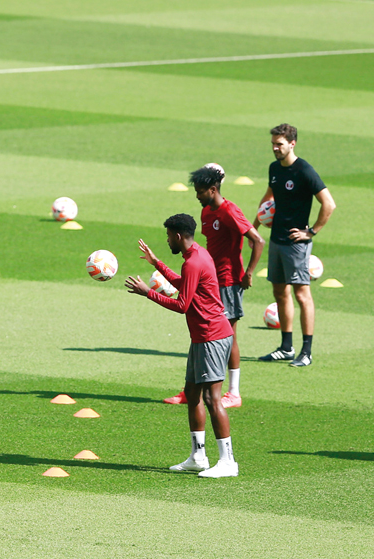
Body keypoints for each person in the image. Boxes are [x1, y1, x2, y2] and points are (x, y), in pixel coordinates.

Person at [125, 214, 238, 478]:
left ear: (177, 236)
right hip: (203, 336)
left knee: (212, 397)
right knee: (192, 394)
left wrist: (148, 293)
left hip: (212, 336)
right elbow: (186, 285)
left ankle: (228, 462)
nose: (166, 240)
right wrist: (158, 264)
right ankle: (198, 456)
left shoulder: (194, 261)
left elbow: (182, 305)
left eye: (167, 236)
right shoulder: (197, 256)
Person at [164, 164, 264, 408]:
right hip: (209, 282)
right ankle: (192, 387)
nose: (197, 196)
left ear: (212, 189)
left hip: (228, 281)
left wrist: (249, 272)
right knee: (200, 330)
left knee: (228, 335)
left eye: (200, 191)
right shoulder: (207, 212)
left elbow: (258, 240)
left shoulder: (229, 211)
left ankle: (234, 392)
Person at [252, 124, 336, 367]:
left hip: (295, 245)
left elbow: (328, 204)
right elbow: (269, 197)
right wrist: (254, 229)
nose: (275, 148)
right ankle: (286, 347)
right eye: (273, 144)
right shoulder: (274, 168)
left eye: (279, 144)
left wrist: (311, 232)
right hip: (276, 240)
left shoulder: (304, 171)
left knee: (302, 294)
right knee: (279, 292)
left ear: (292, 143)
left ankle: (306, 351)